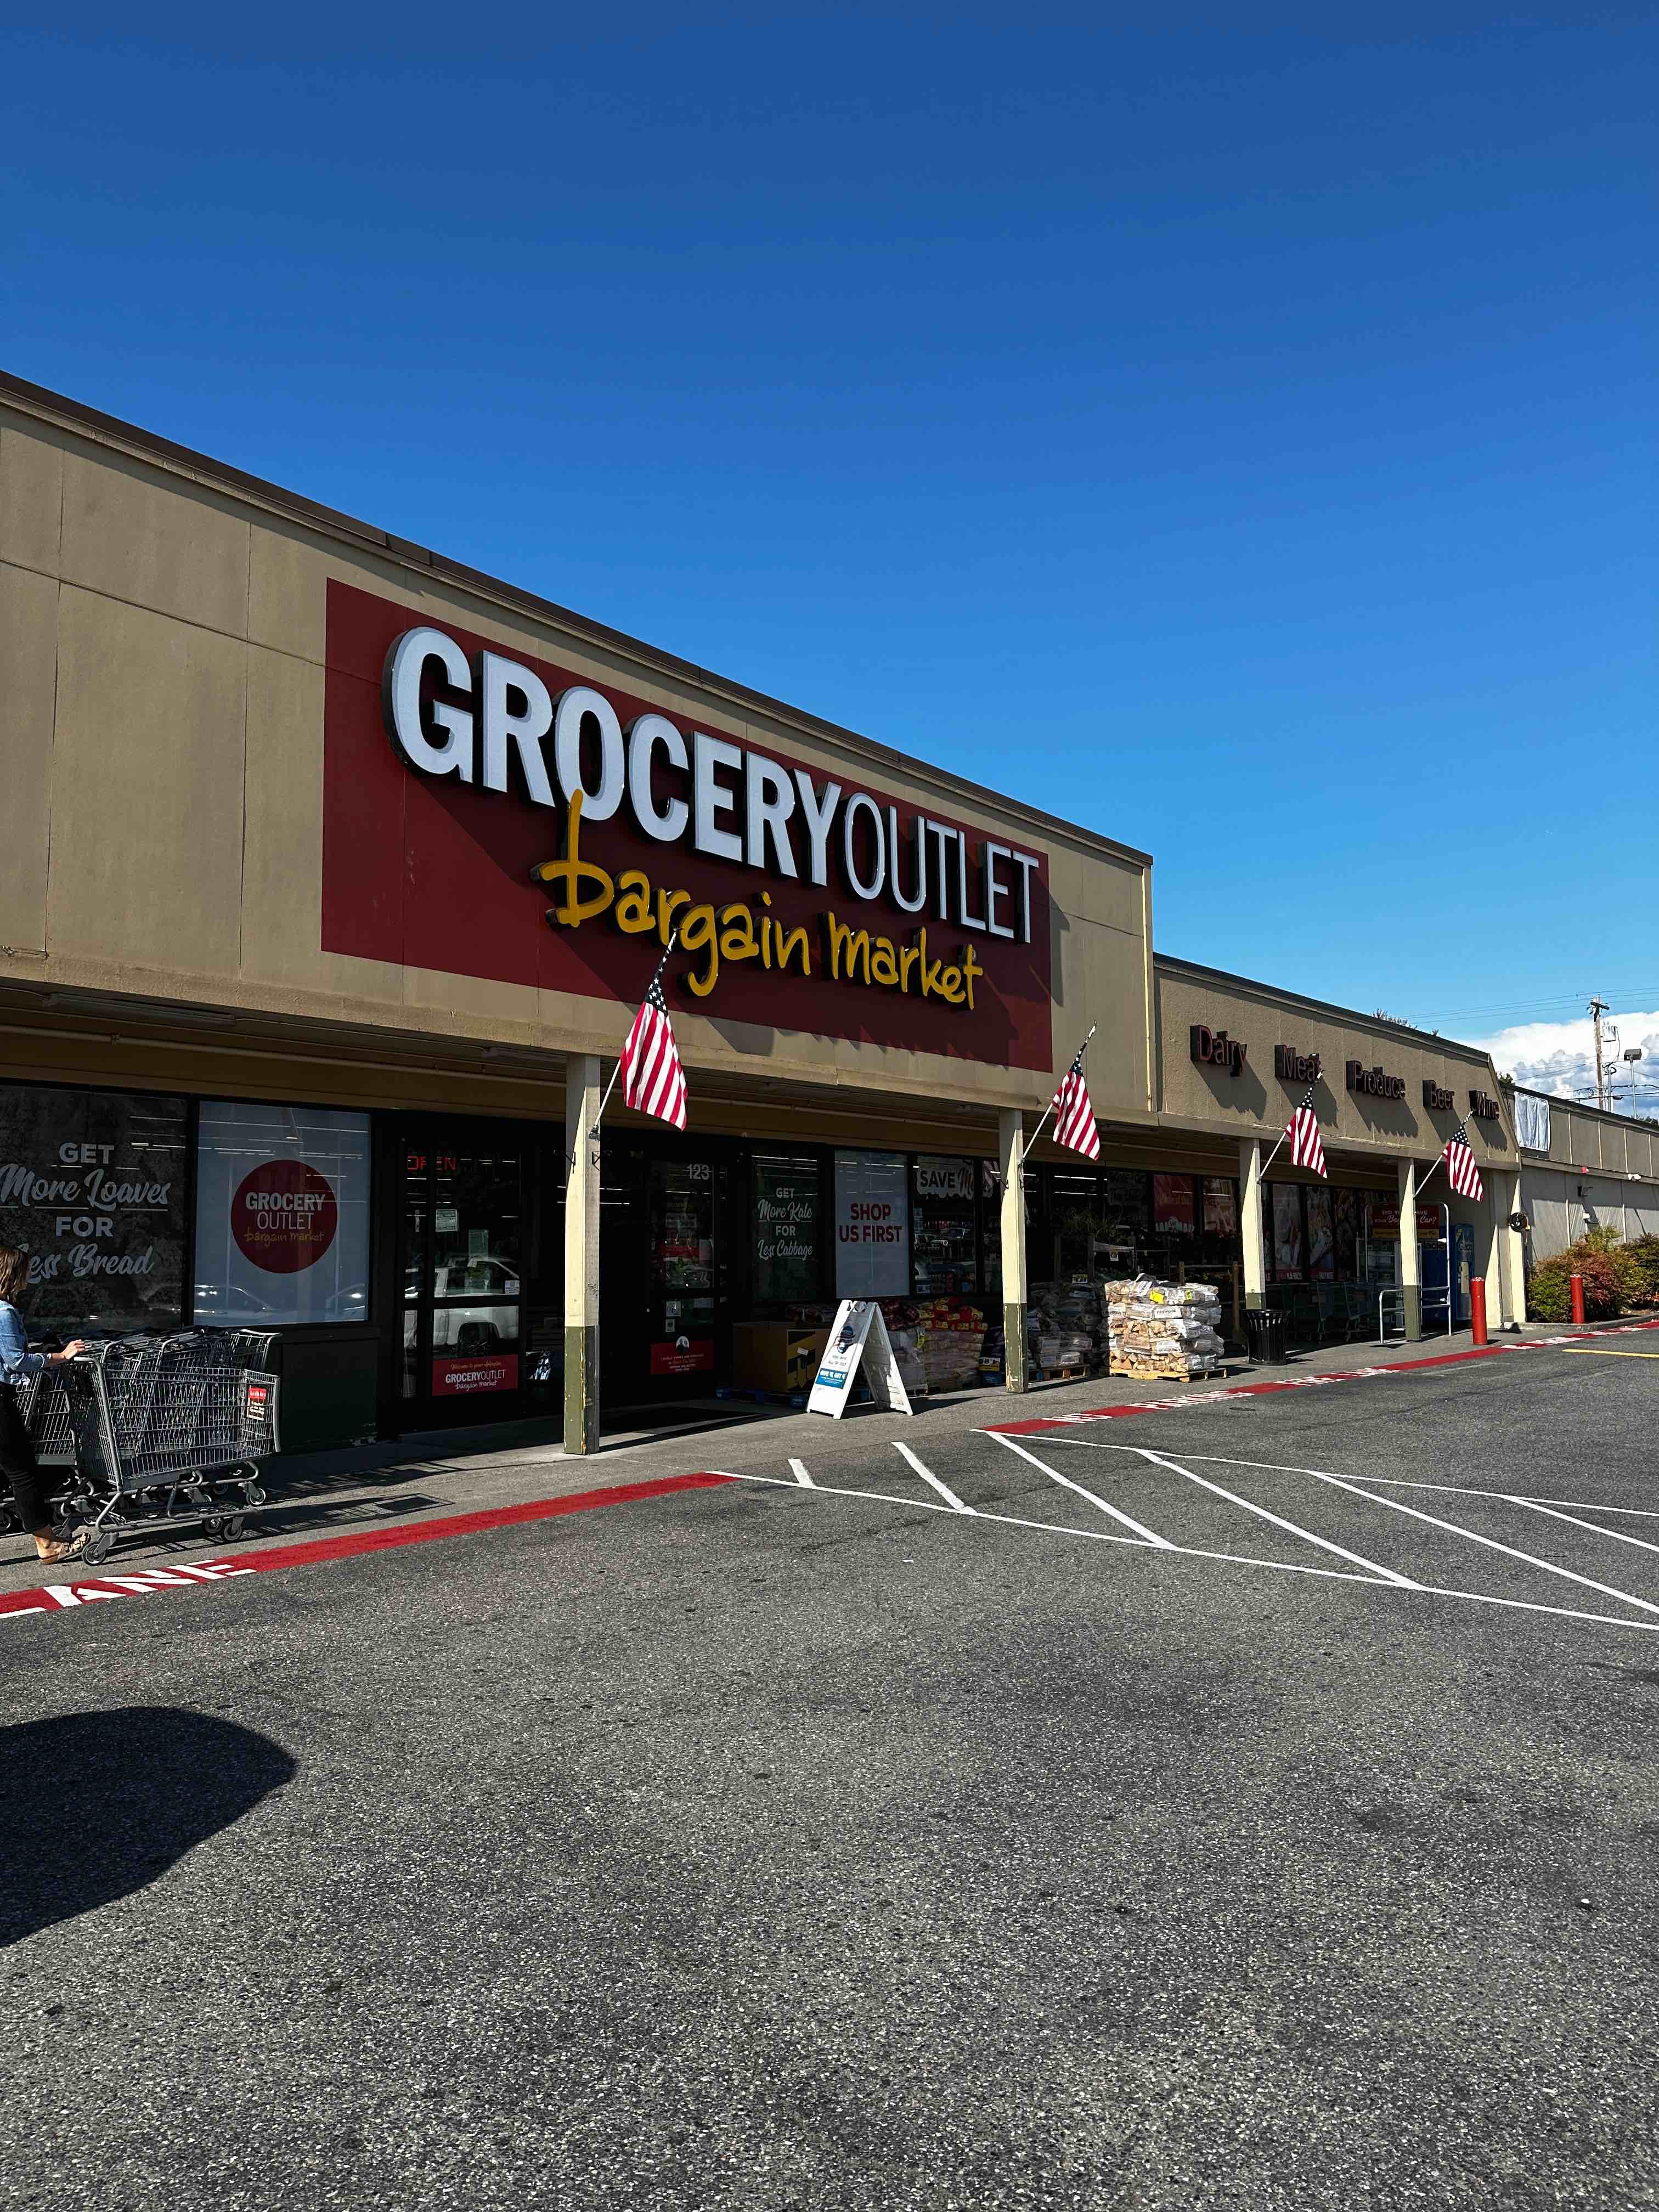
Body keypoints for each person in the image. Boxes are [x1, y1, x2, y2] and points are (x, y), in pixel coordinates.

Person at [0, 1246, 89, 1564]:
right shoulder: (4, 1311)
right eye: (25, 1270)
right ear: (11, 1274)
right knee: (22, 1473)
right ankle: (47, 1545)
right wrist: (59, 1357)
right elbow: (15, 1360)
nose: (29, 1276)